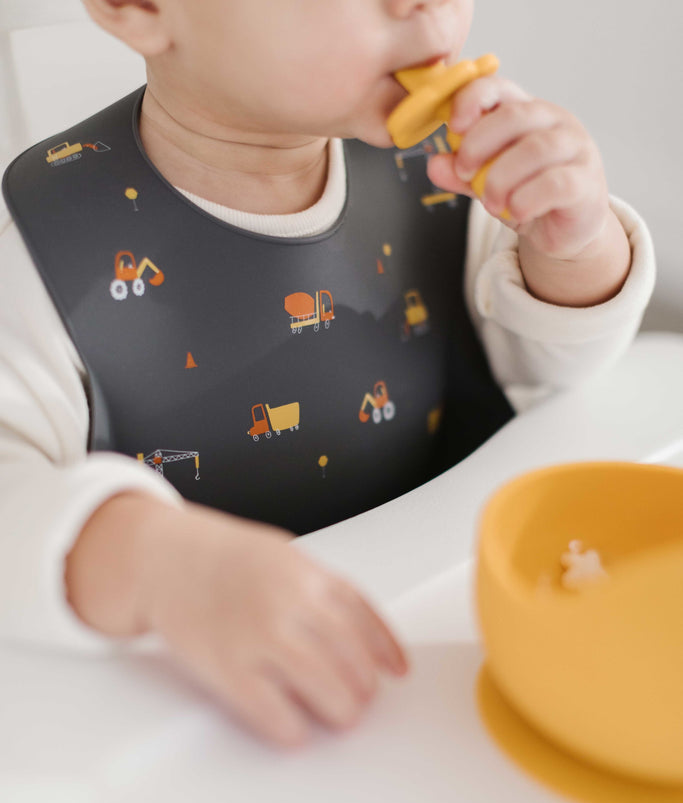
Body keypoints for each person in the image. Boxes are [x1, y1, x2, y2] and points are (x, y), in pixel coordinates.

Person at [0, 0, 654, 746]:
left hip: (435, 670)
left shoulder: (449, 168)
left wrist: (573, 249)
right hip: (210, 731)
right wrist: (160, 567)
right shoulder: (38, 257)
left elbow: (538, 377)